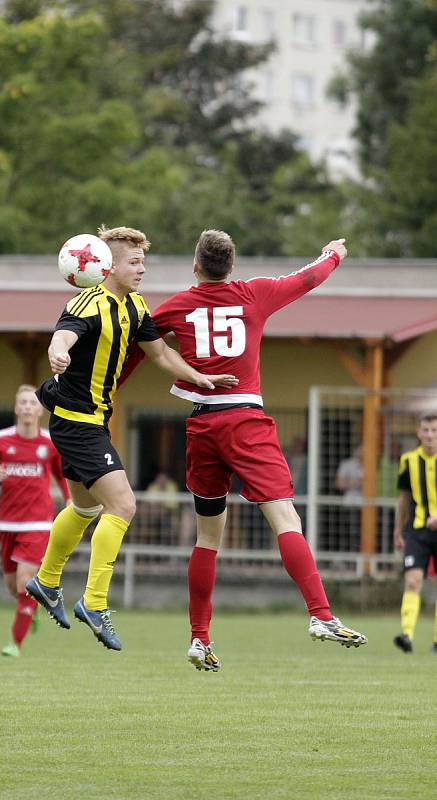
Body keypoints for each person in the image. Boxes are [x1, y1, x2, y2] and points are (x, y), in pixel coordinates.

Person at [123, 230, 368, 670]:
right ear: (232, 267)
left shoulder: (177, 305)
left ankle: (199, 638)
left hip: (202, 424)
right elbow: (308, 278)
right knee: (285, 518)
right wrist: (333, 253)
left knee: (206, 537)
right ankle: (321, 615)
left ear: (196, 267)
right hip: (245, 422)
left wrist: (109, 388)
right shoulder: (255, 293)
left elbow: (140, 349)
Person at [25, 226, 237, 652]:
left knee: (84, 507)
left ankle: (47, 582)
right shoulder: (88, 300)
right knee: (123, 503)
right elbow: (64, 332)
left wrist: (198, 376)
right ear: (109, 265)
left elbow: (160, 354)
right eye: (135, 262)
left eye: (144, 261)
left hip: (89, 420)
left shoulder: (136, 307)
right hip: (77, 422)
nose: (143, 269)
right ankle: (95, 602)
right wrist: (57, 351)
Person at [0, 385, 70, 657]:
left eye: (32, 403)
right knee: (13, 587)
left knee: (25, 581)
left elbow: (63, 475)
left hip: (38, 522)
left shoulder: (50, 442)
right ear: (16, 408)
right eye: (23, 403)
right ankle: (32, 606)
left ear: (40, 410)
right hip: (7, 523)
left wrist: (70, 500)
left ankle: (15, 643)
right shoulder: (1, 440)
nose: (27, 407)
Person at [393, 413, 437, 654]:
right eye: (426, 430)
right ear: (419, 433)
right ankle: (407, 635)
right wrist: (398, 530)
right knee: (412, 580)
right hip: (417, 531)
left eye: (434, 430)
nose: (429, 435)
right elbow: (404, 499)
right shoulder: (408, 461)